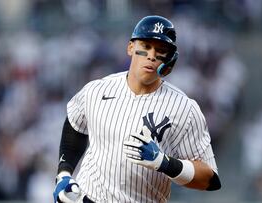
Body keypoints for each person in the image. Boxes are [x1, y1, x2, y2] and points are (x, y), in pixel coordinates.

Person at [53, 15, 221, 203]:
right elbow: (75, 124)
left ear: (170, 60)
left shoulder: (184, 108)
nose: (151, 55)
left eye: (161, 50)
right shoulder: (97, 89)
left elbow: (210, 179)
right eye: (146, 46)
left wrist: (164, 163)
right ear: (131, 47)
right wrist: (64, 173)